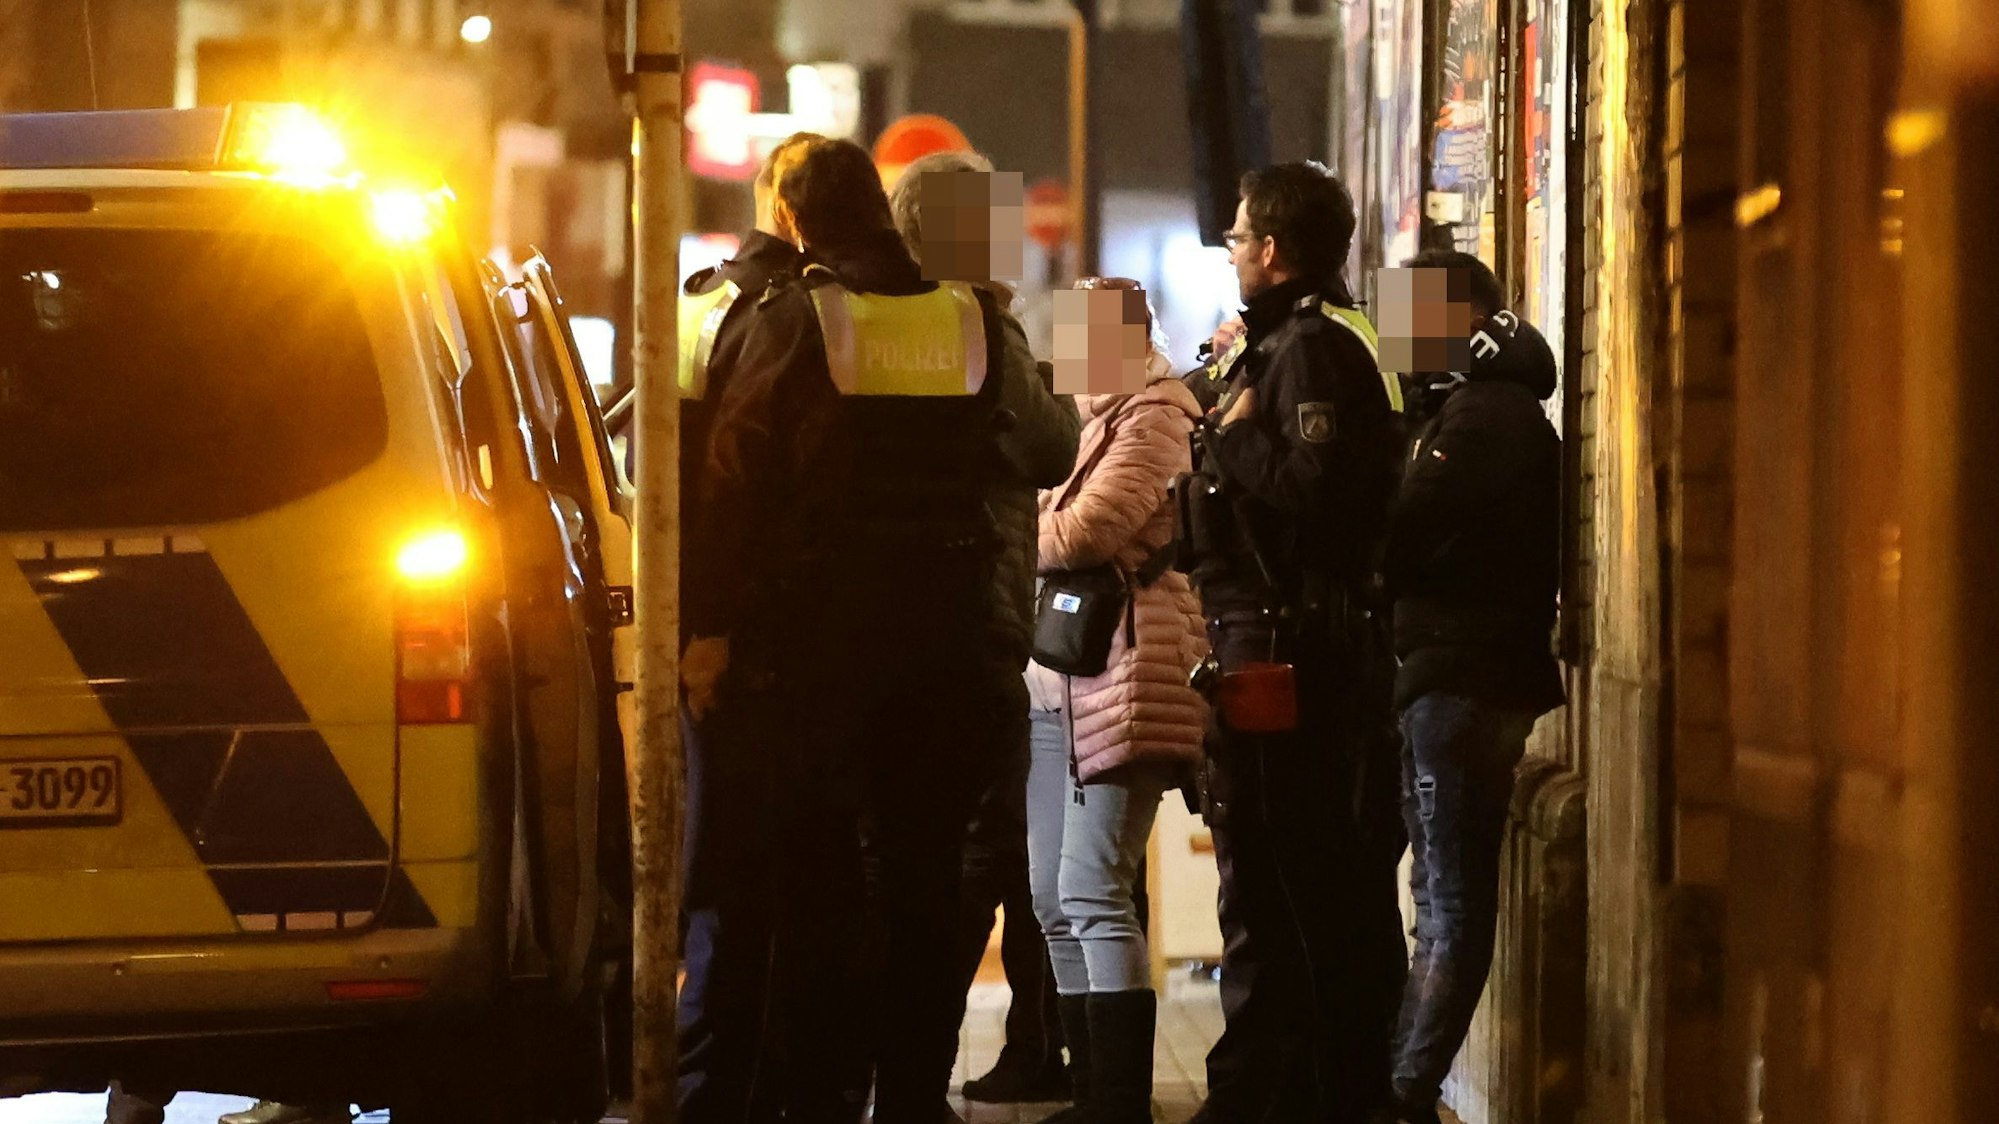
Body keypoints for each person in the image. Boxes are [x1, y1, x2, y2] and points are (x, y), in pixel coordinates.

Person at [682, 136, 1025, 1124]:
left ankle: (824, 1091)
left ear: (789, 219)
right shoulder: (972, 321)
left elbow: (737, 482)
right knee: (924, 881)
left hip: (827, 648)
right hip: (951, 638)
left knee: (822, 882)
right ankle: (913, 1099)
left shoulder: (800, 321)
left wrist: (711, 629)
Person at [1178, 163, 1410, 1124]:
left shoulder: (1312, 351)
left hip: (1291, 650)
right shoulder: (1277, 347)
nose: (1230, 250)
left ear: (1271, 248)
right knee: (1274, 879)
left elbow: (1316, 492)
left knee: (1286, 883)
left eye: (1236, 236)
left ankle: (1297, 1093)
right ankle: (1277, 1086)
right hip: (1269, 642)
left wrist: (1231, 444)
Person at [887, 149, 1081, 1107]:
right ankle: (923, 1081)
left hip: (873, 635)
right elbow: (1054, 444)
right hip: (978, 630)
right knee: (981, 857)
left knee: (899, 863)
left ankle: (880, 1075)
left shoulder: (857, 321)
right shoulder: (978, 324)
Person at [673, 131, 845, 1124]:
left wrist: (704, 628)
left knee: (721, 880)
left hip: (723, 633)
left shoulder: (706, 304)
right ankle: (794, 1088)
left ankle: (711, 1093)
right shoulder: (822, 317)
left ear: (776, 208)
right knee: (804, 879)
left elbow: (693, 476)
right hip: (811, 637)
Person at [1378, 251, 1565, 1124]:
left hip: (1460, 678)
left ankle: (1403, 1089)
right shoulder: (1474, 408)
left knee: (1448, 902)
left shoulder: (1485, 417)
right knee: (1439, 897)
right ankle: (1399, 1082)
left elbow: (1405, 534)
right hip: (1461, 676)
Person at [1025, 277, 1209, 1124]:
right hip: (1060, 680)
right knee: (1050, 897)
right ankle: (1090, 1088)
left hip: (1125, 671)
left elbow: (1080, 532)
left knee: (1092, 886)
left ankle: (1118, 1104)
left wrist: (1009, 523)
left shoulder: (1157, 416)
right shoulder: (1091, 421)